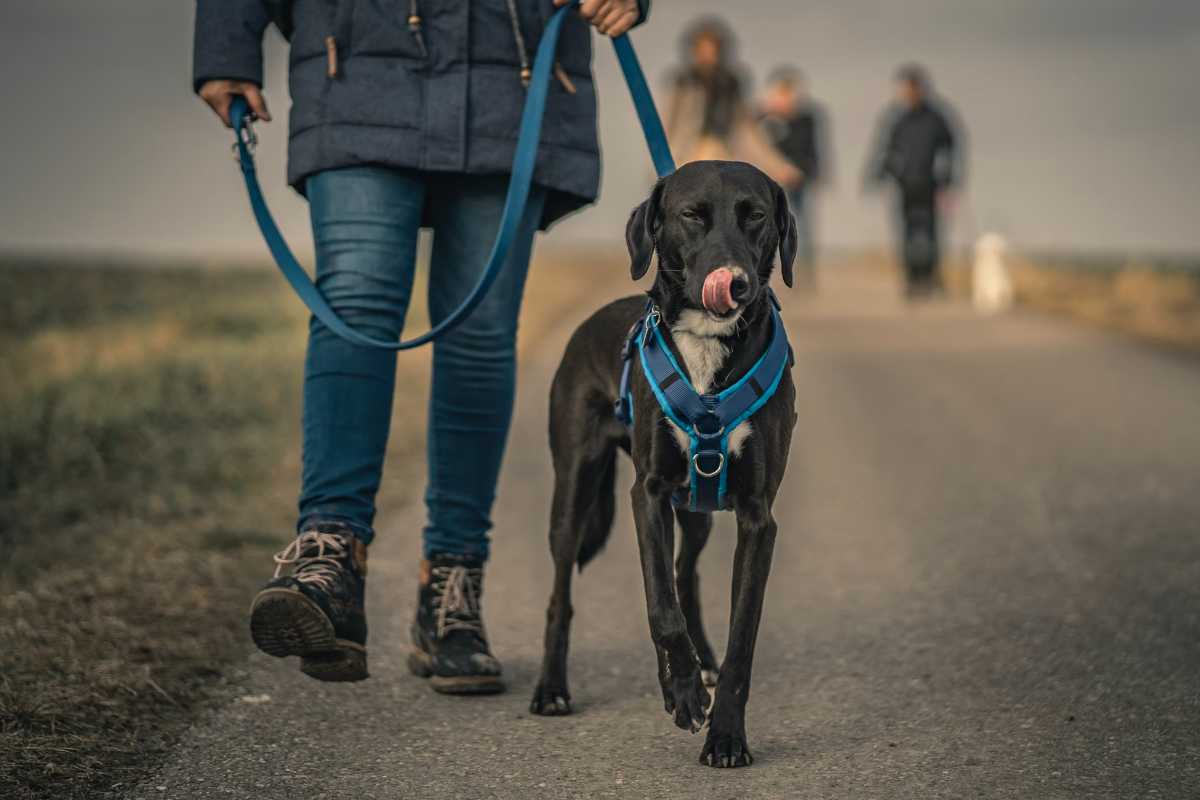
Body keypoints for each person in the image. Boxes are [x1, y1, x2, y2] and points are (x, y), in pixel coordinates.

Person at [193, 0, 649, 695]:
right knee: (354, 305)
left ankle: (453, 590)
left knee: (482, 335)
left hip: (511, 73)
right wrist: (226, 43)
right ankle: (329, 562)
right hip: (357, 60)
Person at [663, 17, 800, 187]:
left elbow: (747, 131)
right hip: (686, 157)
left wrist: (779, 167)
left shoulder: (730, 85)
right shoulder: (683, 83)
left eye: (711, 50)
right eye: (702, 50)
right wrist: (662, 166)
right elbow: (668, 125)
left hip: (723, 154)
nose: (707, 56)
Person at [865, 64, 964, 298]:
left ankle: (930, 279)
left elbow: (950, 147)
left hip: (931, 185)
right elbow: (886, 148)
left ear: (919, 88)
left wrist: (948, 179)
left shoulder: (937, 117)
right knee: (907, 234)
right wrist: (879, 173)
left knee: (930, 234)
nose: (905, 93)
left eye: (908, 88)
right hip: (904, 185)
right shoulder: (897, 117)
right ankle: (911, 280)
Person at [758, 66, 826, 288]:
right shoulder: (761, 117)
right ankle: (765, 271)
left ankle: (803, 273)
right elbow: (753, 146)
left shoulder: (806, 118)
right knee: (765, 225)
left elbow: (814, 149)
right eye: (782, 93)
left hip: (798, 181)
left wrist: (811, 174)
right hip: (769, 181)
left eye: (790, 93)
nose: (786, 98)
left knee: (801, 226)